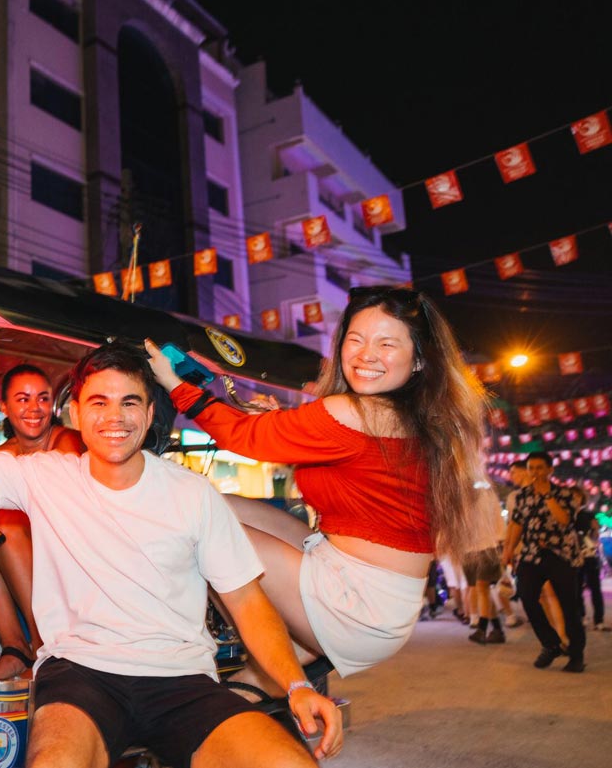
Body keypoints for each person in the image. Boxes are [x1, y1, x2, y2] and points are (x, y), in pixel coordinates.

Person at [0, 340, 342, 766]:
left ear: (147, 414)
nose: (114, 417)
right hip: (80, 673)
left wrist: (297, 685)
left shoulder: (192, 493)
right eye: (99, 402)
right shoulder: (46, 476)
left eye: (129, 402)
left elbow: (247, 600)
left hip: (182, 679)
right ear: (74, 414)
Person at [145, 285, 489, 683]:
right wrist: (278, 423)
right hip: (374, 592)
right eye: (355, 340)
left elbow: (243, 437)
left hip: (356, 605)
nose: (366, 355)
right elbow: (341, 458)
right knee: (218, 504)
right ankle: (273, 673)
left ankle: (233, 655)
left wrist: (175, 384)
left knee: (196, 525)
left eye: (387, 344)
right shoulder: (415, 417)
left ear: (417, 361)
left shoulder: (355, 411)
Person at [0, 363, 84, 680]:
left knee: (7, 523)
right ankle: (16, 647)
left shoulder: (66, 440)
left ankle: (45, 644)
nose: (34, 408)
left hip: (72, 552)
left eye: (42, 398)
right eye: (23, 399)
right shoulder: (4, 453)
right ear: (5, 407)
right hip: (29, 555)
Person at [503, 451, 587, 671]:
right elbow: (517, 525)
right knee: (527, 596)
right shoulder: (522, 496)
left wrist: (548, 496)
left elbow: (564, 521)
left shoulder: (566, 495)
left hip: (560, 555)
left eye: (540, 468)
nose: (535, 472)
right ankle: (550, 644)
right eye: (532, 468)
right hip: (531, 555)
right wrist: (509, 550)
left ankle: (576, 656)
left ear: (550, 470)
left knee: (569, 606)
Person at [463, 485, 506, 644]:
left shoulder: (487, 495)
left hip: (489, 547)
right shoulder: (458, 497)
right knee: (483, 590)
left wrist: (502, 543)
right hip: (468, 550)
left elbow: (498, 520)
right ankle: (497, 629)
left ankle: (482, 628)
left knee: (482, 586)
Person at [575, 500, 609, 631]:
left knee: (594, 587)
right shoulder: (568, 514)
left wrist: (594, 536)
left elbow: (596, 530)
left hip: (589, 554)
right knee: (577, 588)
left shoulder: (588, 514)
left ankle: (598, 620)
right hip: (576, 555)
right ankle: (582, 616)